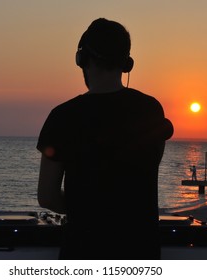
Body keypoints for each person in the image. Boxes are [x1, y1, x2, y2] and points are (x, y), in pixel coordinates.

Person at [37, 18, 173, 260]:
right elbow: (148, 168)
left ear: (82, 59)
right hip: (140, 252)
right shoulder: (150, 110)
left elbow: (47, 196)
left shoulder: (63, 117)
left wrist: (86, 208)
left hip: (83, 252)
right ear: (126, 63)